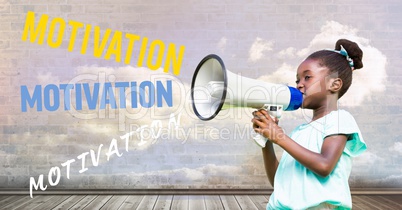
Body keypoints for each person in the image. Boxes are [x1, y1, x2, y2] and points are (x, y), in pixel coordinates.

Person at [251, 39, 367, 209]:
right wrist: (266, 141)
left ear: (334, 84)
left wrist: (279, 136)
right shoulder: (300, 131)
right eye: (297, 80)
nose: (299, 85)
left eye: (307, 77)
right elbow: (280, 180)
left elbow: (324, 165)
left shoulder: (340, 119)